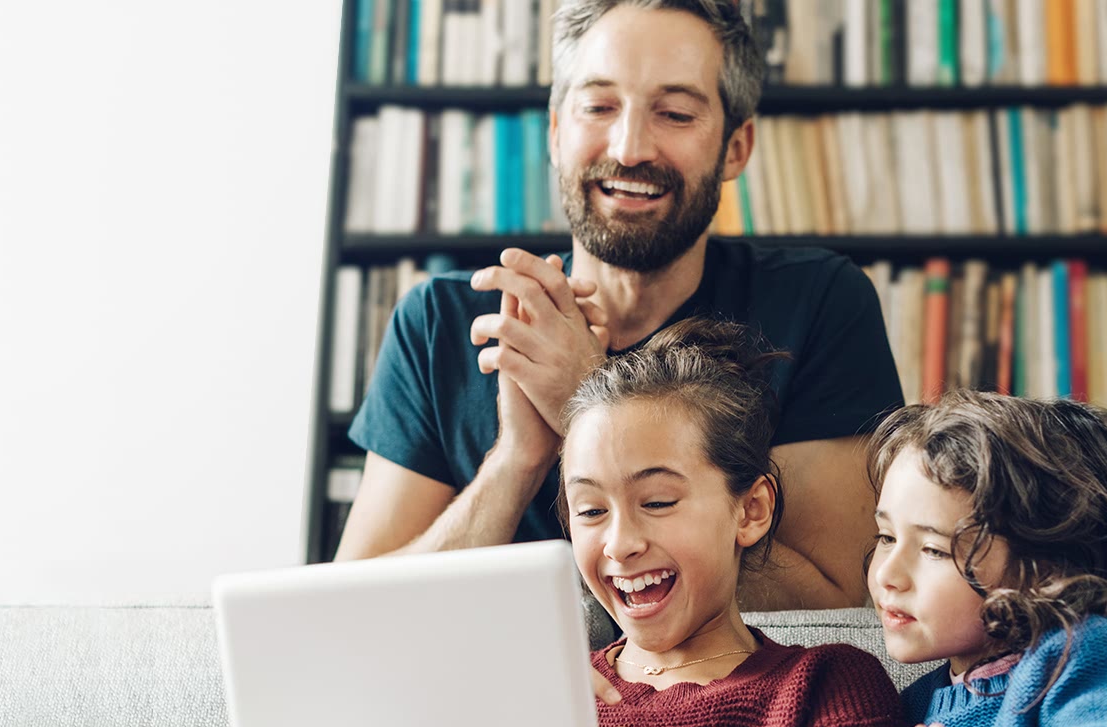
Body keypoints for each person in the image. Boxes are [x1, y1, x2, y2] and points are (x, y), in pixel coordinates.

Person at [335, 0, 903, 611]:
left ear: (736, 148)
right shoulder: (440, 325)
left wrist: (590, 406)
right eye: (599, 107)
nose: (630, 148)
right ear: (556, 133)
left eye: (676, 113)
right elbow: (353, 611)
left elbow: (838, 601)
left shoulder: (817, 303)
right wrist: (515, 461)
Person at [775, 393, 1107, 727]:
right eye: (887, 537)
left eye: (933, 550)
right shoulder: (913, 707)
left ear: (1043, 567)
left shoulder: (1085, 657)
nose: (888, 574)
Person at [528, 318, 903, 727]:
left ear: (750, 511)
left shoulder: (828, 687)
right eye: (590, 511)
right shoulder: (549, 696)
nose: (620, 544)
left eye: (658, 501)